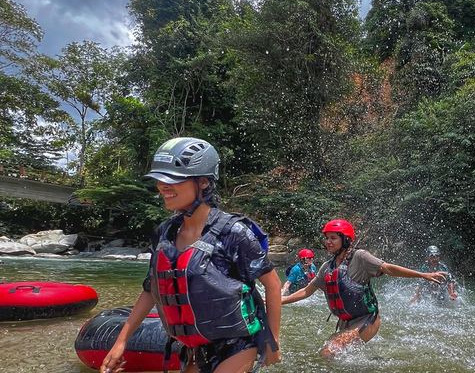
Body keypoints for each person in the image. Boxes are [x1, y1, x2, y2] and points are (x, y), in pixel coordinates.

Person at [100, 137, 281, 373]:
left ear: (203, 182)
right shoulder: (164, 234)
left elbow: (273, 284)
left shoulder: (233, 232)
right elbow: (151, 290)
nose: (162, 186)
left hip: (237, 343)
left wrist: (272, 342)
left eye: (173, 180)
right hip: (193, 349)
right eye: (160, 180)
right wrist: (120, 342)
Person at [281, 219, 448, 357]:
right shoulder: (327, 267)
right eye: (326, 238)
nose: (328, 242)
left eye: (333, 238)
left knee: (329, 351)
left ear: (345, 239)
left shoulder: (360, 257)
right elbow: (306, 291)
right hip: (345, 323)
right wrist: (278, 301)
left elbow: (388, 268)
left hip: (367, 320)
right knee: (336, 355)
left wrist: (422, 275)